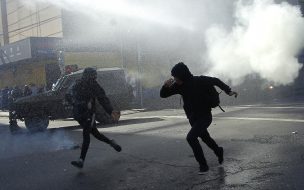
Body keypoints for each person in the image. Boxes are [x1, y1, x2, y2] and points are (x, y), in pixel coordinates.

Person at [160, 62, 238, 174]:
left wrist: (228, 91)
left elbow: (216, 80)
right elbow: (163, 95)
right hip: (192, 118)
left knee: (191, 138)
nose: (174, 79)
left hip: (205, 116)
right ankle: (218, 150)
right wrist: (165, 86)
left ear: (182, 75)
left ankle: (203, 165)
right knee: (205, 138)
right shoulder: (179, 86)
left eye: (175, 76)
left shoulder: (199, 80)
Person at [68, 67, 122, 169]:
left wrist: (110, 111)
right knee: (96, 134)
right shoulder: (78, 84)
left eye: (93, 77)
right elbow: (68, 95)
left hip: (89, 114)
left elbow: (103, 99)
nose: (93, 79)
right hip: (80, 113)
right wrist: (78, 103)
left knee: (86, 133)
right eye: (92, 76)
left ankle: (81, 160)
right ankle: (111, 142)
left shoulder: (94, 85)